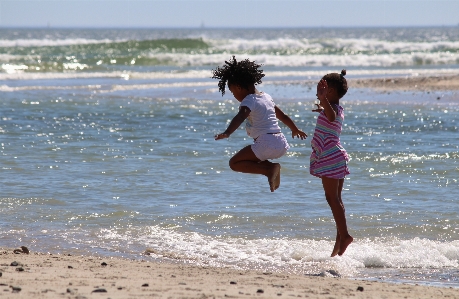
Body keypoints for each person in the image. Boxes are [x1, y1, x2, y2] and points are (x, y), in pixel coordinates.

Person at [212, 56, 307, 192]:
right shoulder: (266, 97)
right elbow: (283, 116)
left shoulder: (249, 100)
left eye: (233, 92)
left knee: (234, 163)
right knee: (253, 158)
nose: (234, 96)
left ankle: (269, 170)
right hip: (281, 143)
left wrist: (227, 132)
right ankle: (270, 168)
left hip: (266, 142)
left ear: (239, 87)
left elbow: (240, 116)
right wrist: (295, 129)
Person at [311, 70, 353, 256]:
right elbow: (329, 114)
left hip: (330, 156)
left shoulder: (333, 109)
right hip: (335, 156)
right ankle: (339, 242)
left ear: (332, 91)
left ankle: (344, 236)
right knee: (336, 199)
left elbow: (331, 117)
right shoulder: (335, 106)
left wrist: (323, 101)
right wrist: (322, 103)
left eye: (323, 89)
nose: (319, 91)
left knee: (332, 198)